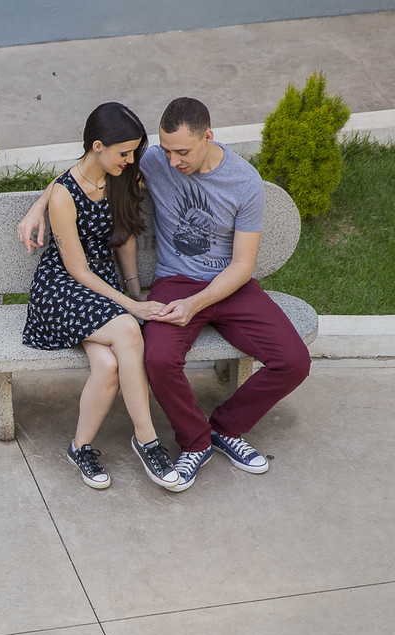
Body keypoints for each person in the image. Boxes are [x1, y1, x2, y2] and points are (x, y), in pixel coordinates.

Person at [18, 97, 311, 491]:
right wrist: (39, 205)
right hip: (175, 281)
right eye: (166, 150)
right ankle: (192, 442)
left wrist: (194, 304)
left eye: (182, 152)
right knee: (156, 357)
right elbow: (85, 171)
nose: (171, 162)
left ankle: (225, 429)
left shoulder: (244, 182)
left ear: (208, 137)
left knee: (294, 361)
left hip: (229, 285)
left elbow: (242, 267)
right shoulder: (153, 161)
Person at [21, 102, 181, 492]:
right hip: (62, 289)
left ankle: (80, 447)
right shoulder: (63, 195)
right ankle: (148, 442)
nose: (130, 160)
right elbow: (76, 269)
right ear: (97, 146)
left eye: (133, 152)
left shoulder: (123, 176)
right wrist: (131, 306)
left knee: (108, 366)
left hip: (102, 287)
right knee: (128, 331)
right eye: (123, 152)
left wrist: (135, 288)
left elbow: (123, 236)